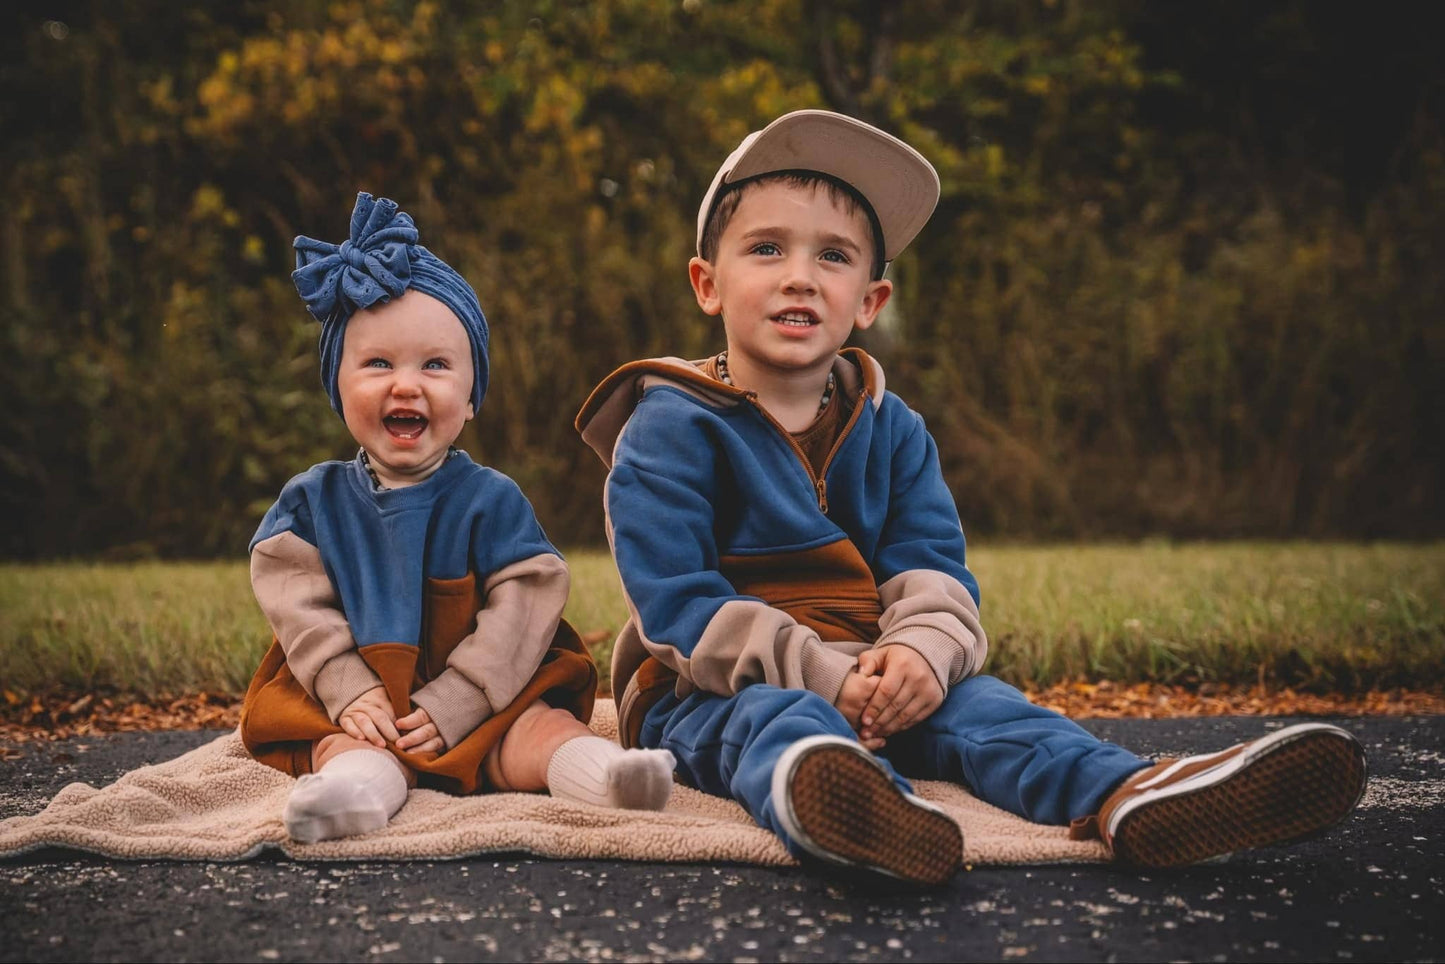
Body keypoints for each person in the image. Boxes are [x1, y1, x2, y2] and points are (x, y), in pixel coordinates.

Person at [574, 110, 1367, 885]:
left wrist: (920, 653)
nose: (799, 276)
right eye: (767, 248)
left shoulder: (892, 428)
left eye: (834, 257)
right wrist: (821, 678)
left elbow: (929, 566)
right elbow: (677, 603)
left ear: (869, 303)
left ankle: (1129, 795)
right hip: (701, 691)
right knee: (780, 725)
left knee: (990, 712)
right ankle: (848, 804)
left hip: (874, 673)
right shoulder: (669, 425)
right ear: (708, 285)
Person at [240, 192, 674, 843]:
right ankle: (352, 795)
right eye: (377, 364)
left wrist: (462, 697)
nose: (405, 384)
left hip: (488, 696)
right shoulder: (314, 501)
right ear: (338, 387)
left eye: (435, 365)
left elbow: (527, 599)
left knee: (542, 728)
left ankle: (606, 776)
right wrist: (345, 686)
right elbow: (296, 601)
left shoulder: (489, 498)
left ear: (471, 398)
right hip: (362, 701)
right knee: (344, 745)